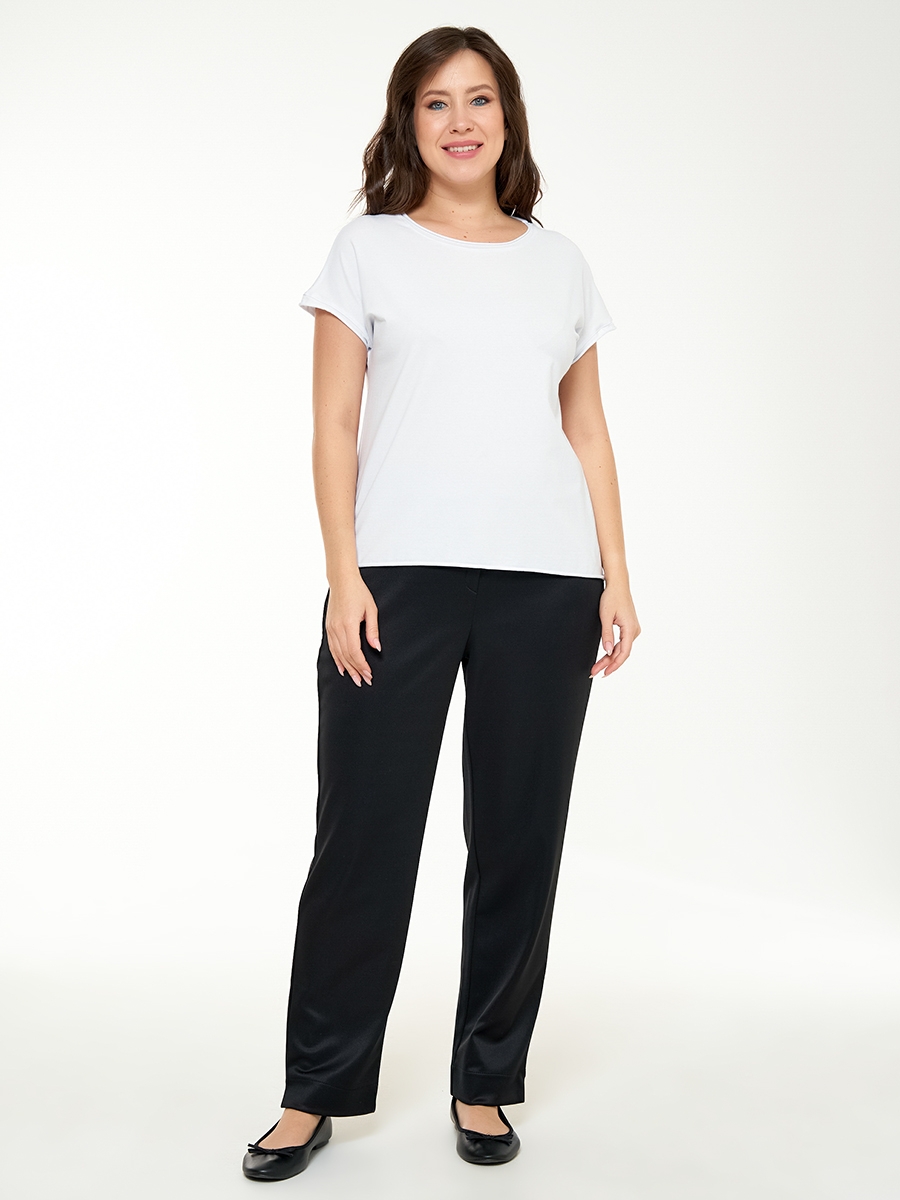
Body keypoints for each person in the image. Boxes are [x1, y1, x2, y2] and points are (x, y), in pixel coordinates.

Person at [242, 24, 640, 1182]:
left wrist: (616, 573)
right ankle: (314, 1093)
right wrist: (345, 575)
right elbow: (331, 424)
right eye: (435, 102)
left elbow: (586, 427)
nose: (459, 120)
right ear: (406, 122)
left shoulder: (559, 263)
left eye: (478, 99)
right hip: (398, 582)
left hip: (545, 581)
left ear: (507, 117)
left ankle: (485, 1081)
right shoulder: (366, 251)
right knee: (362, 839)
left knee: (519, 840)